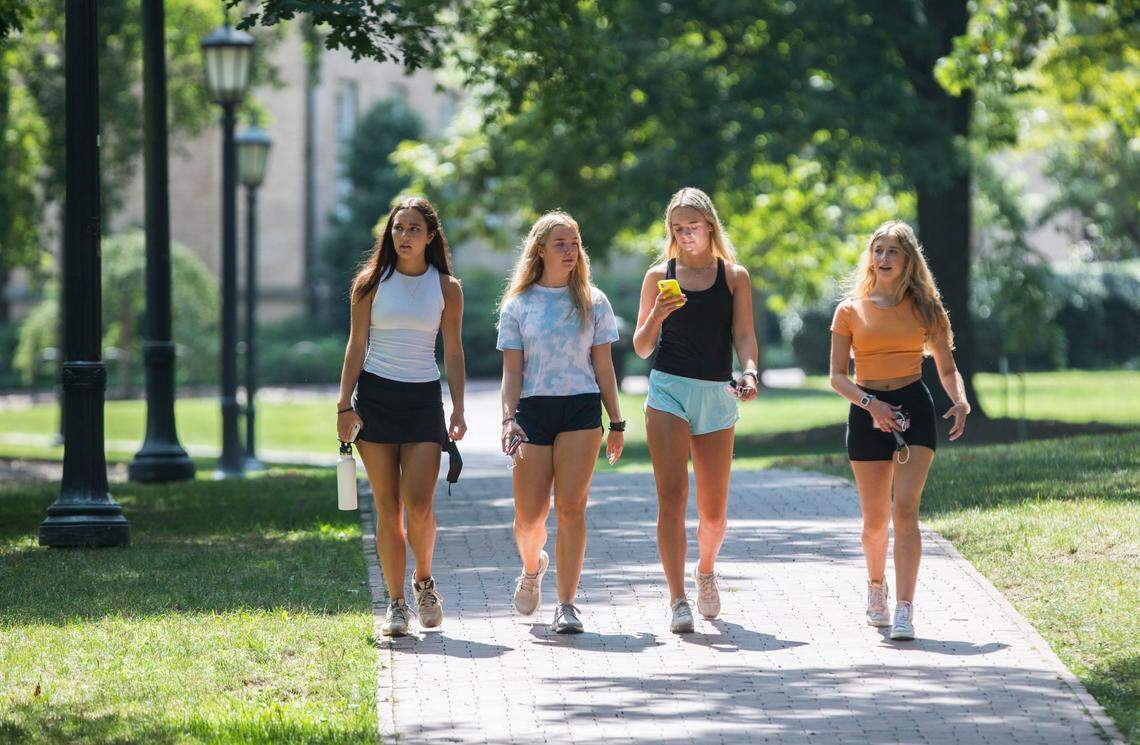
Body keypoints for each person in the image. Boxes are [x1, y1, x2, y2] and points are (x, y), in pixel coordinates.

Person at [829, 219, 970, 641]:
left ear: (909, 259)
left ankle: (906, 608)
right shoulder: (849, 309)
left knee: (905, 511)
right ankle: (877, 589)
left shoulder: (927, 308)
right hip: (866, 408)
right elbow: (837, 377)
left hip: (914, 408)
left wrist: (959, 399)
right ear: (870, 257)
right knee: (875, 522)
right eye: (878, 250)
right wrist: (871, 405)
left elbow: (946, 368)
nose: (884, 258)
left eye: (893, 250)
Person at [335, 196, 467, 637]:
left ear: (430, 236)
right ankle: (396, 604)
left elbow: (452, 350)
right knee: (388, 508)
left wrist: (460, 408)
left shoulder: (447, 287)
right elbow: (355, 346)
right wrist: (343, 405)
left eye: (413, 228)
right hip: (375, 399)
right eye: (398, 228)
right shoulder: (370, 283)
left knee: (421, 504)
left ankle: (423, 581)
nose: (404, 236)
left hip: (423, 400)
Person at [631, 187, 759, 634]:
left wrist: (750, 372)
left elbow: (744, 335)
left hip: (716, 395)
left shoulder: (733, 276)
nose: (686, 235)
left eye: (693, 226)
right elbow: (643, 347)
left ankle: (705, 570)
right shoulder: (658, 277)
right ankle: (677, 599)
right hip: (667, 390)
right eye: (677, 229)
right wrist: (657, 315)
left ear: (710, 226)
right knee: (671, 497)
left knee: (714, 513)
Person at [497, 211, 625, 634]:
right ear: (540, 250)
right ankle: (532, 568)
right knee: (530, 517)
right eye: (560, 244)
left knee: (572, 508)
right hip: (533, 412)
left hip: (581, 410)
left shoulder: (594, 300)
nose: (570, 251)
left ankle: (566, 605)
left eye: (574, 243)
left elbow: (604, 368)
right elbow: (511, 373)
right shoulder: (518, 305)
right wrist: (507, 419)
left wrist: (617, 421)